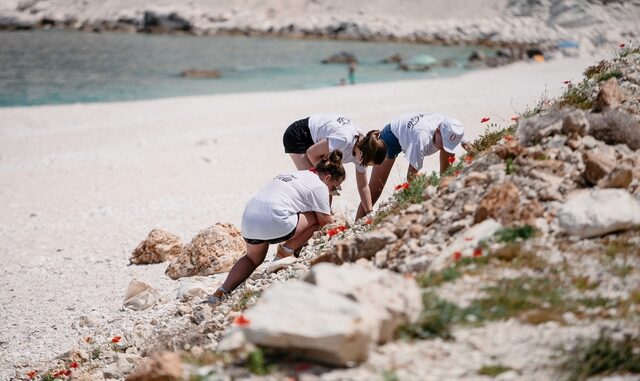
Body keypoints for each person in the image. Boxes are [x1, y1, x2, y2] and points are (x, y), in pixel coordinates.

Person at [206, 151, 346, 304]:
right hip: (275, 221)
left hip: (249, 220)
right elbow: (326, 221)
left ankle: (221, 291)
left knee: (252, 258)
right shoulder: (319, 186)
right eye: (335, 188)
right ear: (328, 178)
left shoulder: (293, 174)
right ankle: (284, 253)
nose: (333, 191)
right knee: (317, 217)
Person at [355, 112, 473, 219]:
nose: (443, 147)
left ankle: (445, 191)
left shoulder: (453, 129)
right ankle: (357, 223)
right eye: (443, 143)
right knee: (375, 190)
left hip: (411, 130)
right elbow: (411, 177)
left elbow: (471, 148)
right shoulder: (421, 138)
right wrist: (428, 187)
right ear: (437, 131)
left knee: (447, 166)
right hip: (391, 136)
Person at [283, 113, 387, 218]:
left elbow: (363, 186)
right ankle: (315, 219)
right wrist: (326, 175)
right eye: (366, 163)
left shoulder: (363, 150)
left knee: (328, 184)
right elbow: (311, 153)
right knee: (318, 184)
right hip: (299, 135)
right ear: (364, 154)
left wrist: (369, 212)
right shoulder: (344, 140)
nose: (364, 165)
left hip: (317, 142)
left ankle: (324, 217)